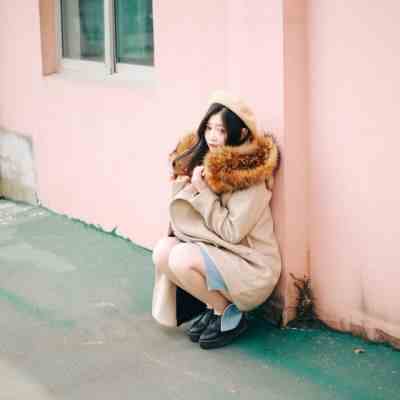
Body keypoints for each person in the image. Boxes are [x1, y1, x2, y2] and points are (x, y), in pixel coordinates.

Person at [151, 90, 282, 349]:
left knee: (180, 257)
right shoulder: (206, 166)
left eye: (221, 130)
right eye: (209, 128)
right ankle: (214, 307)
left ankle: (228, 315)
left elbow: (232, 232)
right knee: (163, 250)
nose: (212, 136)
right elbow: (184, 226)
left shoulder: (250, 178)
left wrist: (203, 192)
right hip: (220, 252)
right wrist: (184, 183)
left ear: (240, 134)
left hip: (251, 266)